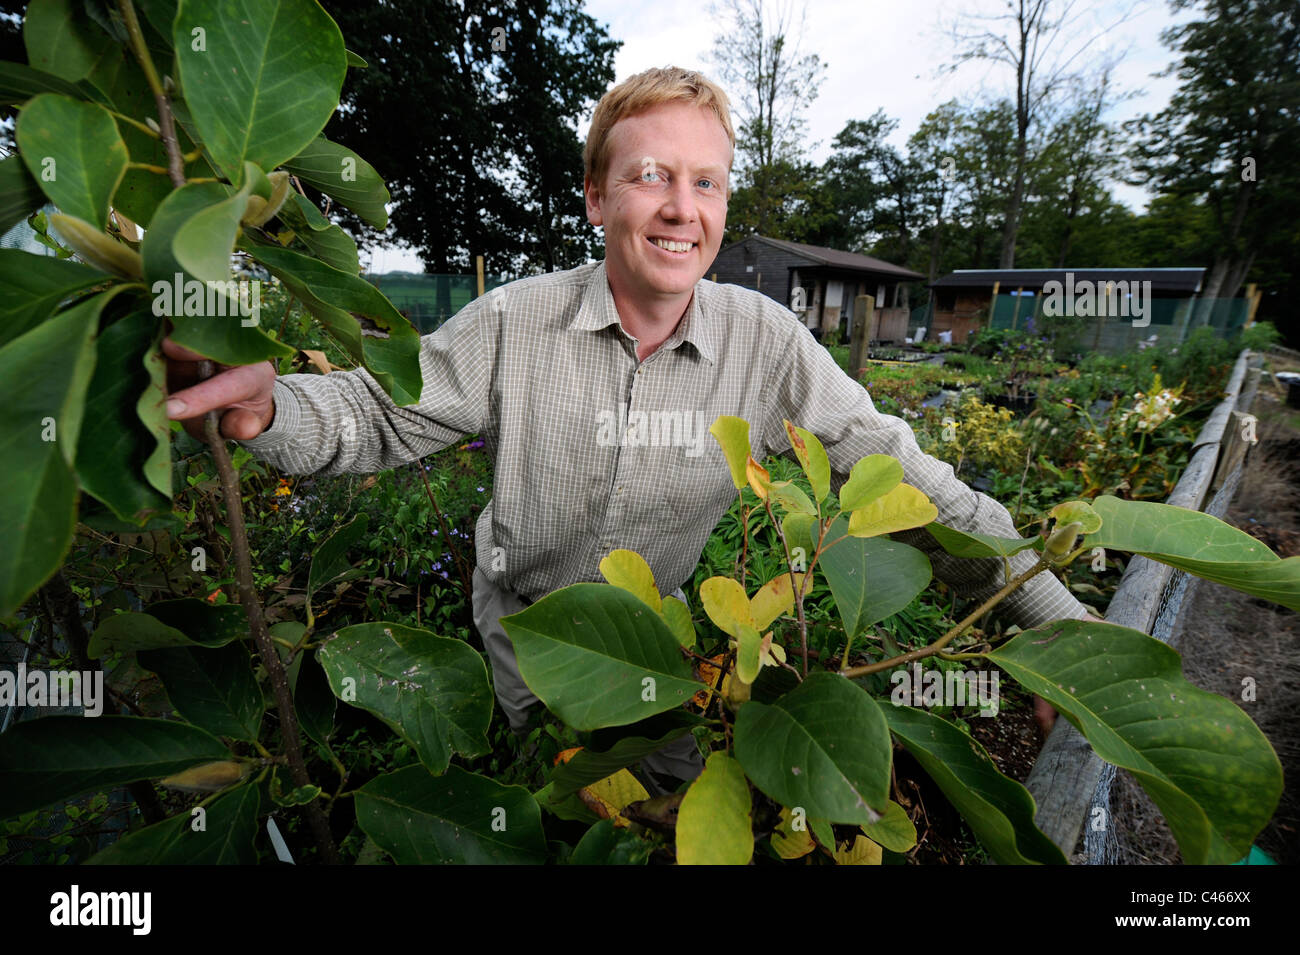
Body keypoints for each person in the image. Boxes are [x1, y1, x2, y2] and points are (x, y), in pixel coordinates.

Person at [163, 66, 1091, 793]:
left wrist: (1054, 627)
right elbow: (374, 415)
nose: (683, 206)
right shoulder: (512, 323)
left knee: (665, 810)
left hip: (659, 648)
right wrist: (271, 404)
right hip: (522, 638)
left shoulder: (765, 344)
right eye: (651, 176)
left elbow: (902, 475)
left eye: (707, 183)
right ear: (597, 196)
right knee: (537, 799)